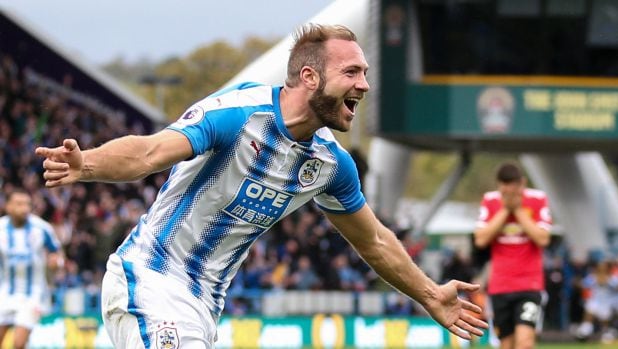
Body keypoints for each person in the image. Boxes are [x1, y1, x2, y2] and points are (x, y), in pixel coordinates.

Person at [36, 24, 488, 348]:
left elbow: (373, 240)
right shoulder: (239, 114)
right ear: (309, 77)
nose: (364, 85)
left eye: (365, 73)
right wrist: (87, 163)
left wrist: (430, 294)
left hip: (204, 304)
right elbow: (151, 152)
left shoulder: (331, 163)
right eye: (351, 72)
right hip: (150, 278)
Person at [474, 162, 551, 349]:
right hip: (500, 286)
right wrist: (505, 210)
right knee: (506, 344)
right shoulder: (490, 201)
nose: (508, 190)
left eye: (513, 185)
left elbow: (543, 239)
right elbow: (480, 240)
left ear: (521, 183)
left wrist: (518, 210)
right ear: (498, 185)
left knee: (524, 343)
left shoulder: (537, 199)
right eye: (504, 185)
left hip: (530, 285)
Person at [0, 189, 63, 349]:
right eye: (19, 204)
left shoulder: (41, 228)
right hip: (5, 292)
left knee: (18, 343)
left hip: (33, 294)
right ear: (8, 206)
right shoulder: (1, 228)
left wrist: (57, 263)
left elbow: (57, 253)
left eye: (28, 204)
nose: (25, 208)